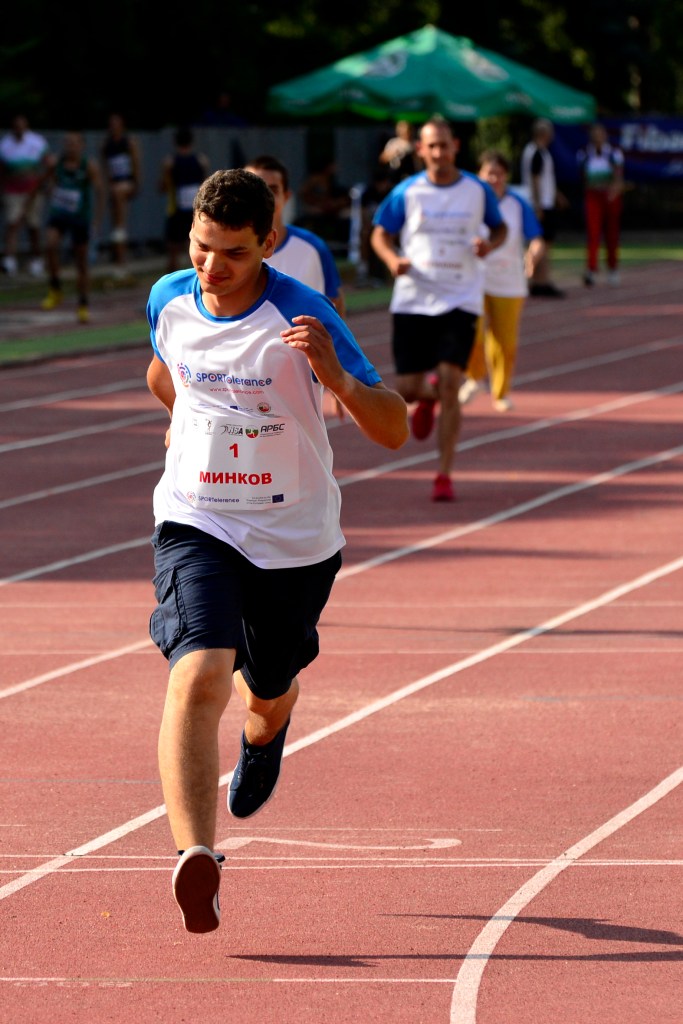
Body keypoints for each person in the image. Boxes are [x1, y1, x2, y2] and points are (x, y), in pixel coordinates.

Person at [145, 168, 408, 934]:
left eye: (232, 253)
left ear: (267, 243)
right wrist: (187, 420)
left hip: (292, 538)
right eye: (200, 247)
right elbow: (163, 372)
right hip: (198, 518)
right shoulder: (167, 298)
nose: (211, 267)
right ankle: (197, 856)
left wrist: (335, 377)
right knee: (198, 673)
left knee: (265, 690)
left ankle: (266, 732)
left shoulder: (303, 312)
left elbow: (392, 427)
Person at [370, 115, 507, 502]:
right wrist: (391, 259)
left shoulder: (477, 190)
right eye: (431, 146)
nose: (439, 152)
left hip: (461, 296)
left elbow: (499, 228)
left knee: (451, 381)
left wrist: (489, 245)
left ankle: (443, 473)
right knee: (406, 390)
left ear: (455, 147)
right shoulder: (408, 191)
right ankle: (427, 397)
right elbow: (380, 233)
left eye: (444, 145)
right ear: (420, 149)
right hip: (414, 297)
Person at [459, 150, 545, 413]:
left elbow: (536, 238)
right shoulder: (468, 202)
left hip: (509, 282)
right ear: (479, 175)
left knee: (504, 343)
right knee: (469, 333)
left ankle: (501, 392)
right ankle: (475, 378)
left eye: (499, 174)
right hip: (473, 279)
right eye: (489, 173)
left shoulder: (517, 204)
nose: (494, 179)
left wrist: (533, 255)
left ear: (506, 176)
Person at [243, 153, 346, 318]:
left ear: (286, 196)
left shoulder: (313, 247)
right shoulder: (227, 250)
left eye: (272, 190)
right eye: (255, 190)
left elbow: (335, 304)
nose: (264, 198)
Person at [40, 131, 104, 323]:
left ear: (82, 146)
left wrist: (96, 221)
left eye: (74, 143)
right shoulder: (56, 164)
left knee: (81, 262)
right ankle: (55, 288)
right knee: (50, 245)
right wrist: (49, 190)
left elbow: (100, 192)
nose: (70, 147)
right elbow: (44, 183)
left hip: (80, 218)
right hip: (59, 214)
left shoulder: (88, 166)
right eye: (67, 143)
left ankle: (83, 304)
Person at [520, 118, 566, 298]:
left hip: (544, 202)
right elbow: (535, 179)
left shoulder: (537, 151)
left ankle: (540, 281)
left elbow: (545, 179)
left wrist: (557, 195)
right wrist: (538, 204)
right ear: (544, 133)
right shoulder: (536, 152)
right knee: (542, 243)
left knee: (544, 242)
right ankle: (533, 275)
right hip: (541, 204)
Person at [0, 114, 51, 277]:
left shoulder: (37, 142)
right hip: (12, 190)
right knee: (12, 222)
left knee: (33, 225)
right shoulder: (4, 144)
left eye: (22, 126)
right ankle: (9, 259)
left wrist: (45, 184)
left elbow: (48, 165)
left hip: (33, 191)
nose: (19, 129)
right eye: (16, 126)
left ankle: (36, 258)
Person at [577, 123, 625, 287]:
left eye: (600, 134)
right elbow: (583, 177)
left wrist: (613, 191)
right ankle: (591, 269)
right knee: (593, 233)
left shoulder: (613, 153)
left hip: (610, 196)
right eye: (594, 134)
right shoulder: (584, 154)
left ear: (605, 135)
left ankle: (613, 268)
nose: (597, 137)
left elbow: (619, 176)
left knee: (612, 234)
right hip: (593, 196)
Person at [158, 126, 210, 273]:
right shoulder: (201, 161)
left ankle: (172, 281)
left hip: (176, 209)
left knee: (173, 249)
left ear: (175, 142)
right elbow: (206, 185)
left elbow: (162, 187)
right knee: (196, 247)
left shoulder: (169, 162)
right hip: (196, 210)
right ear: (192, 142)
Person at [100, 112, 141, 276]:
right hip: (114, 186)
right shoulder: (106, 145)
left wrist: (135, 184)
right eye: (111, 125)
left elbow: (136, 163)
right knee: (116, 224)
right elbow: (106, 169)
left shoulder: (128, 143)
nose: (114, 128)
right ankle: (118, 257)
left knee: (119, 223)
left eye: (116, 124)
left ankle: (121, 261)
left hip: (126, 184)